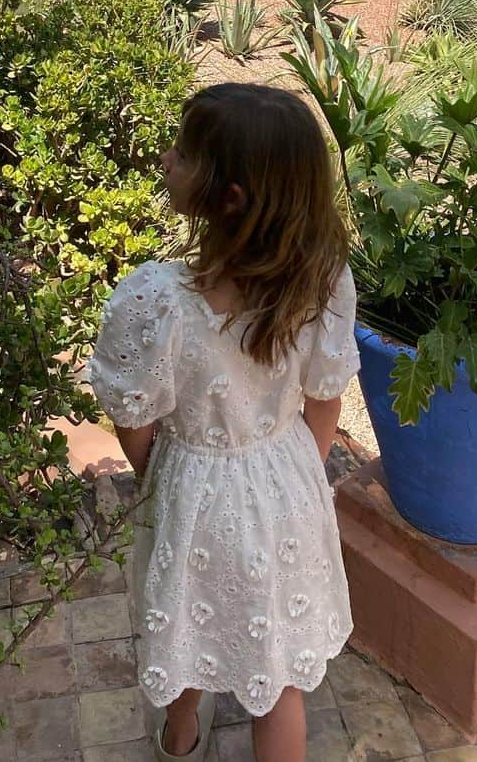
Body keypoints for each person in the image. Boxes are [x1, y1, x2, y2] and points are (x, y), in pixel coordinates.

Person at [88, 82, 360, 762]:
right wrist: (296, 474)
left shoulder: (156, 299)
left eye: (181, 154)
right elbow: (325, 398)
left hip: (193, 492)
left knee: (188, 623)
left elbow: (134, 417)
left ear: (229, 197)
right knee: (281, 676)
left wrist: (164, 478)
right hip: (287, 480)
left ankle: (180, 738)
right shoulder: (322, 277)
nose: (164, 159)